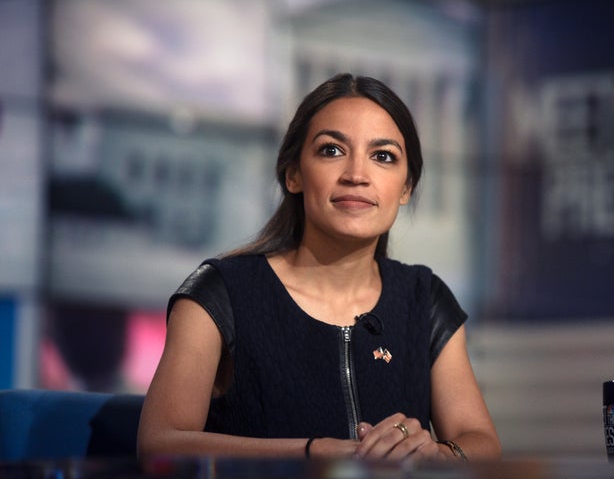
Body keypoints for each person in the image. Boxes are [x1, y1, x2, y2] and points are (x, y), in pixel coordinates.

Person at [137, 73, 501, 462]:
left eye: (383, 156)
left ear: (406, 187)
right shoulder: (221, 292)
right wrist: (315, 452)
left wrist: (441, 455)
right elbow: (160, 443)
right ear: (293, 174)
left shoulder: (424, 299)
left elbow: (481, 441)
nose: (357, 175)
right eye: (331, 150)